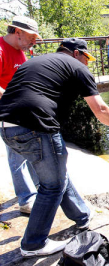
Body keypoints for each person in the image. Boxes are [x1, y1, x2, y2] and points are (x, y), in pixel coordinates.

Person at [0, 38, 109, 257]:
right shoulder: (77, 67)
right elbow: (100, 109)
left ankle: (82, 216)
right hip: (35, 126)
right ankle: (33, 243)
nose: (86, 63)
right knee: (52, 186)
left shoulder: (37, 61)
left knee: (57, 176)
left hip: (6, 126)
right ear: (76, 53)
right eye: (86, 58)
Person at [0, 16, 42, 214]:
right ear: (18, 33)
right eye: (31, 38)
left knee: (31, 150)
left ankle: (38, 190)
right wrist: (13, 100)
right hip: (8, 110)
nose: (33, 43)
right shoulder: (1, 50)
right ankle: (26, 199)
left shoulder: (20, 52)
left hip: (22, 109)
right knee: (17, 155)